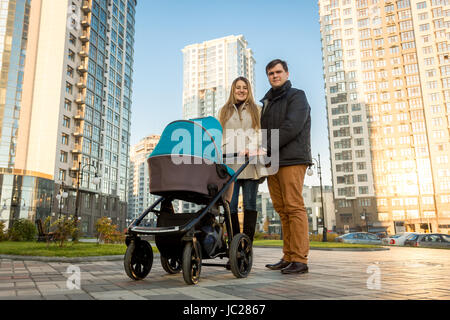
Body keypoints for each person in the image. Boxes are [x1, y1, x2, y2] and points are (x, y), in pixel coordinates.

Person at [260, 59, 312, 275]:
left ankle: (300, 259)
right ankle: (288, 256)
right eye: (271, 73)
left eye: (278, 72)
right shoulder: (267, 103)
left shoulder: (297, 96)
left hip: (292, 159)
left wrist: (266, 146)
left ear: (287, 73)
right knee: (282, 210)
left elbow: (292, 127)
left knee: (294, 207)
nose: (275, 75)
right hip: (273, 162)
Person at [218, 77, 266, 242]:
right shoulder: (224, 111)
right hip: (231, 163)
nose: (241, 90)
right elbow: (220, 135)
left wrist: (252, 148)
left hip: (250, 163)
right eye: (238, 87)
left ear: (248, 90)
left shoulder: (256, 109)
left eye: (244, 87)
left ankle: (246, 244)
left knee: (250, 204)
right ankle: (234, 243)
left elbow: (260, 132)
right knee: (230, 206)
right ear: (233, 89)